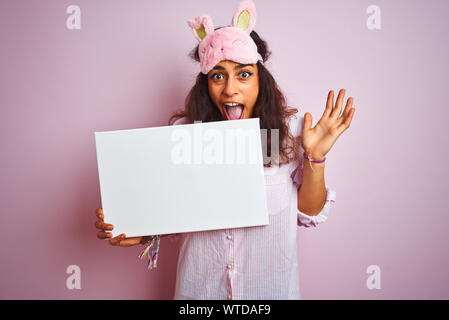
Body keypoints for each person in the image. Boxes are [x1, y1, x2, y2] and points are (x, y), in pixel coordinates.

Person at [94, 0, 355, 299]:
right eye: (218, 75)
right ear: (206, 84)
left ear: (260, 81)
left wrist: (315, 158)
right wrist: (140, 228)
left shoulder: (288, 134)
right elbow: (179, 211)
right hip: (200, 294)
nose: (230, 88)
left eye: (243, 74)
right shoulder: (184, 135)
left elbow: (309, 212)